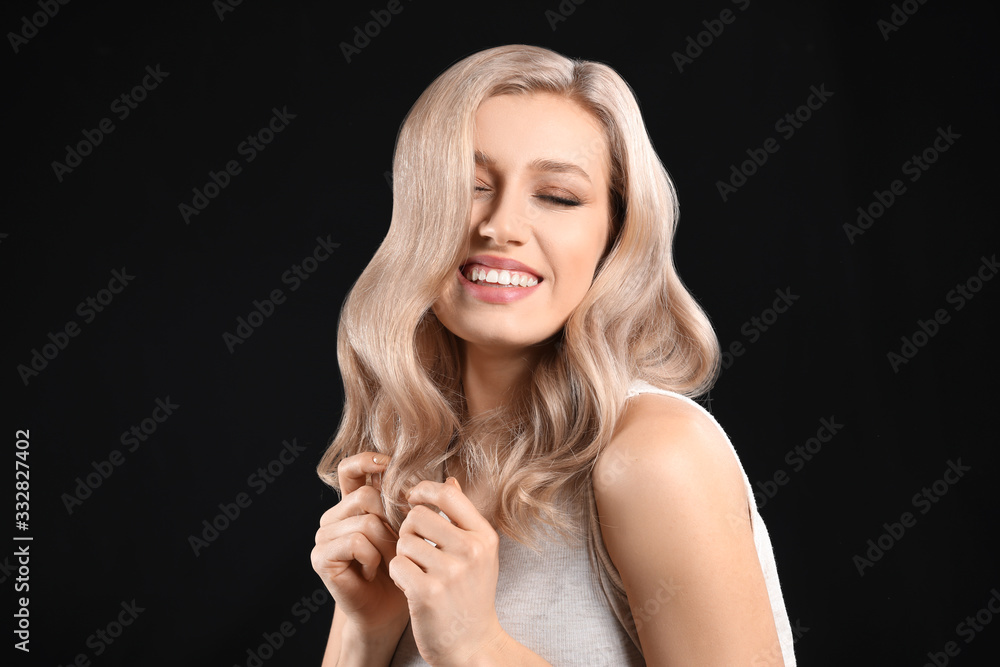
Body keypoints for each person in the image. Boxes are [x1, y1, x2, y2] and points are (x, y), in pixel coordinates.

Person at [311, 44, 796, 666]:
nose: (502, 225)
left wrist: (477, 646)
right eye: (471, 185)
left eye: (559, 197)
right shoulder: (415, 462)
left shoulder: (653, 454)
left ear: (615, 237)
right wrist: (363, 633)